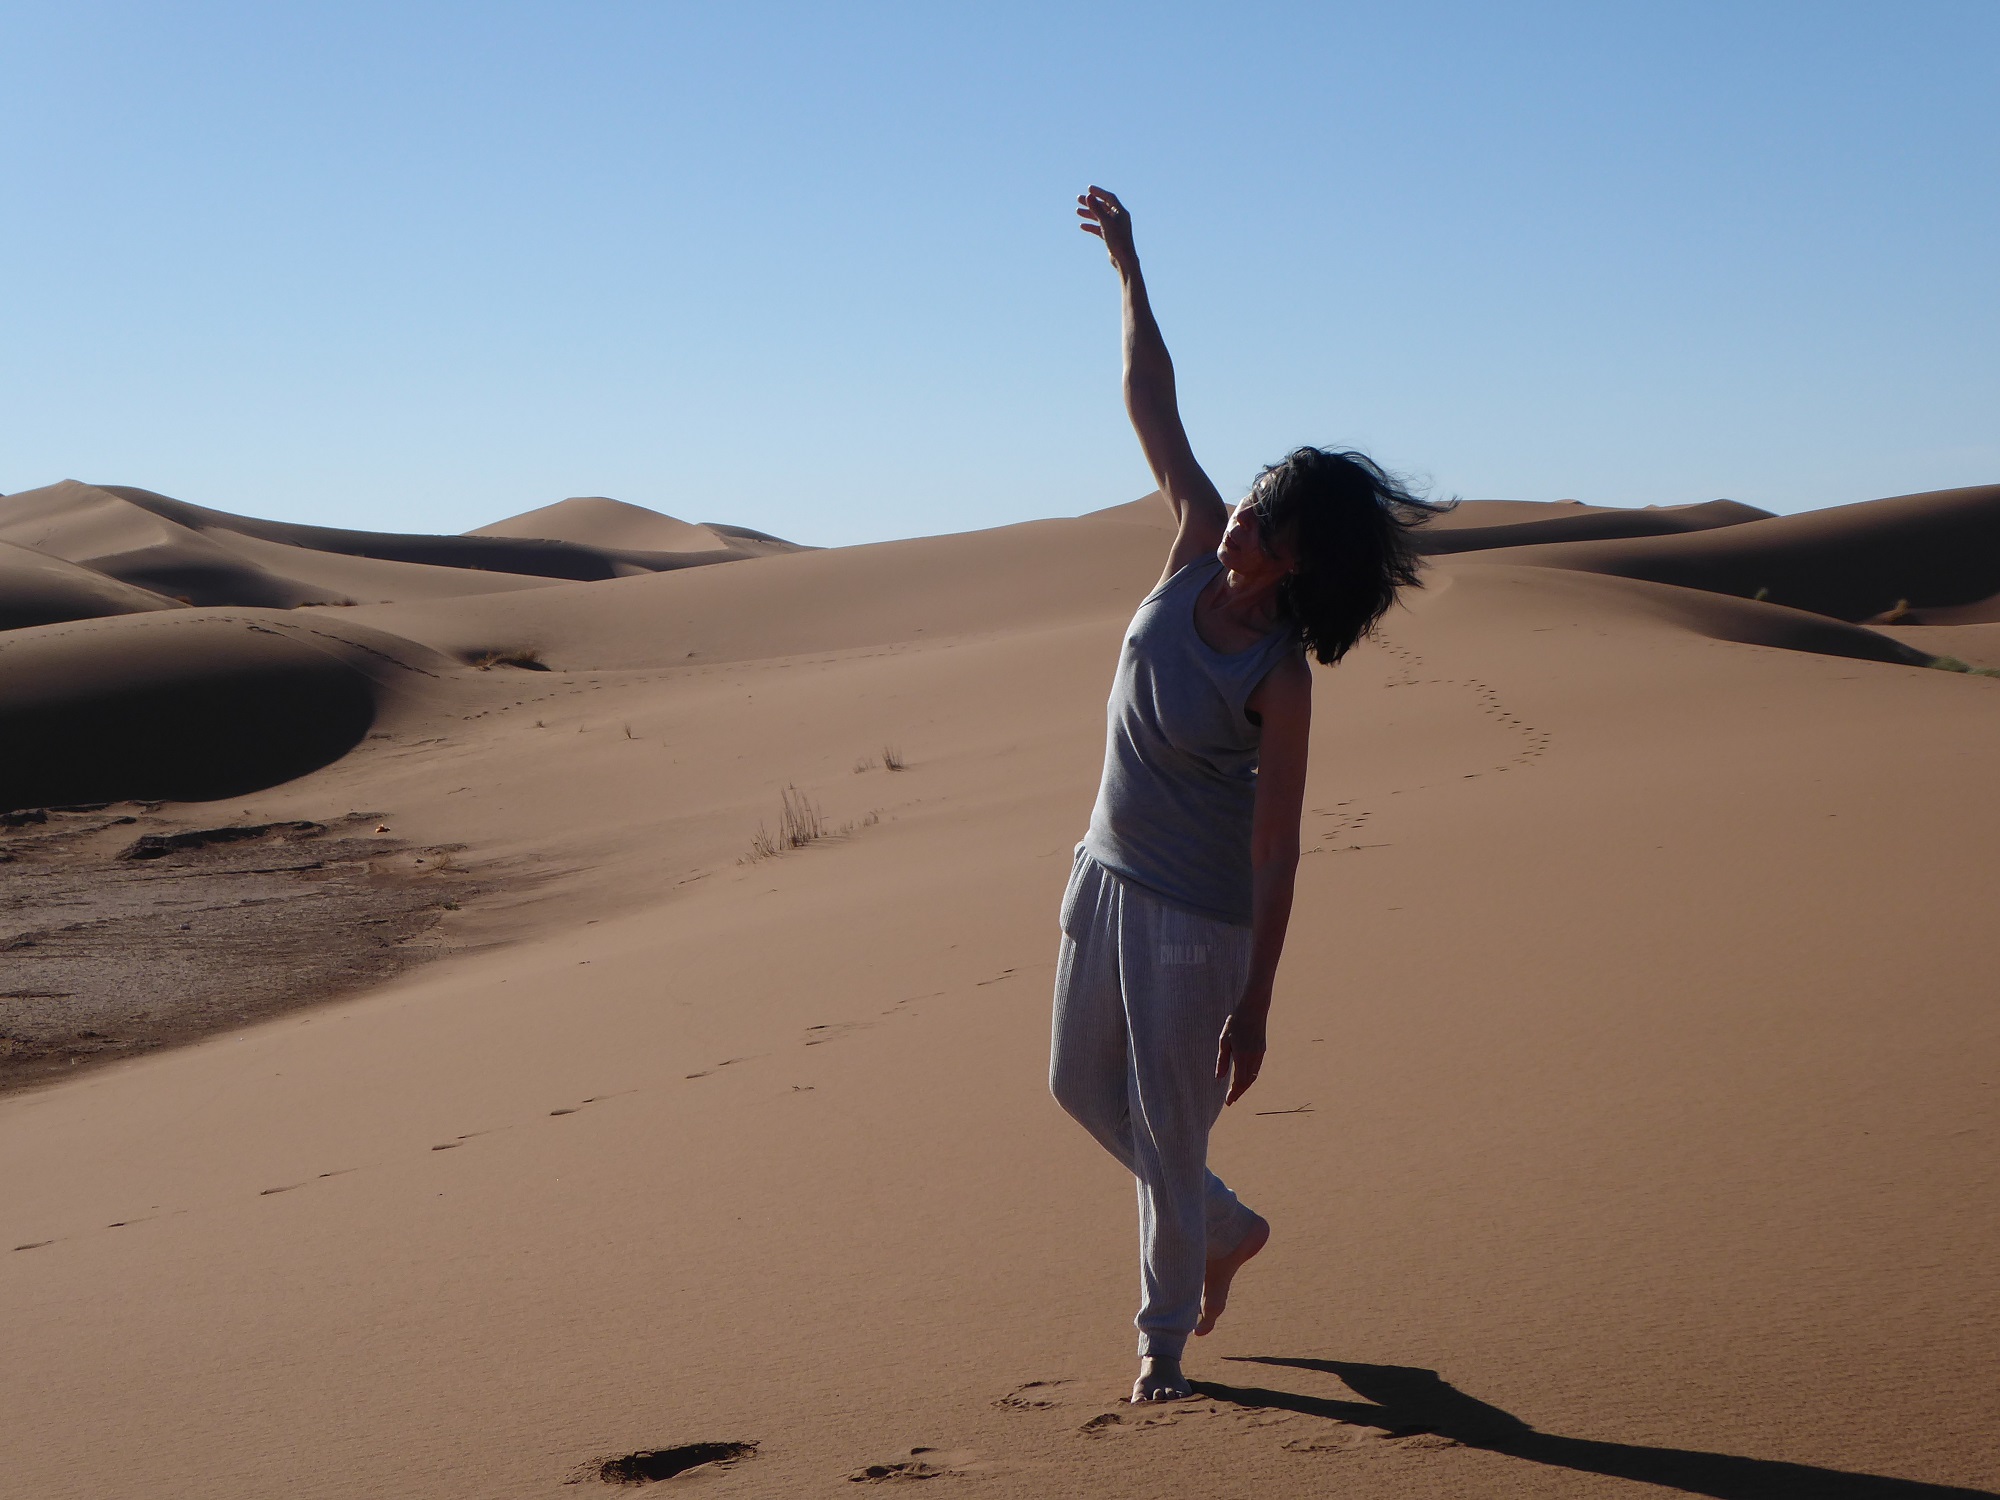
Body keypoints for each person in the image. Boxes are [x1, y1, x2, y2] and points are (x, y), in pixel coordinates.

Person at [1052, 186, 1445, 1404]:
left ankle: (1161, 1345)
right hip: (1104, 869)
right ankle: (1219, 1226)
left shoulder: (1278, 678)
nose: (1241, 529)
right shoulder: (1189, 548)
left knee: (1171, 1128)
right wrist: (1128, 267)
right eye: (1252, 506)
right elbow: (1149, 401)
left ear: (1302, 564)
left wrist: (1257, 1001)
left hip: (1194, 920)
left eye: (1267, 528)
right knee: (1075, 1084)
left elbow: (1277, 855)